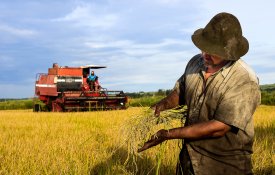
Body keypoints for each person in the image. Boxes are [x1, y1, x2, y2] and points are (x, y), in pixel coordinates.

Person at [138, 12, 261, 175]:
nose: (204, 54)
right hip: (189, 161)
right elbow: (180, 91)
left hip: (223, 166)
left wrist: (168, 134)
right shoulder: (196, 63)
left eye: (212, 51)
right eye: (203, 48)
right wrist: (162, 105)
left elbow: (219, 127)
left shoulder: (244, 79)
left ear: (229, 52)